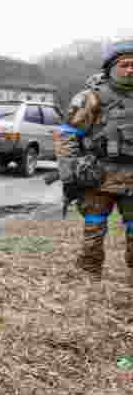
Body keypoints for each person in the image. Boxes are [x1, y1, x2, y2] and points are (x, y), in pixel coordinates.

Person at [61, 40, 133, 284]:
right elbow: (68, 135)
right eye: (125, 65)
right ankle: (89, 279)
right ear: (111, 67)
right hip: (98, 176)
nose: (130, 69)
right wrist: (68, 175)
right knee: (93, 230)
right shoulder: (91, 98)